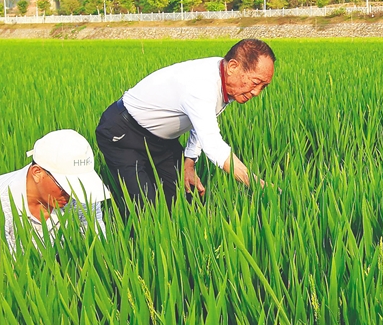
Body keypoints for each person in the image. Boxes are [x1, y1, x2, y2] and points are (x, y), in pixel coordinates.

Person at [95, 38, 275, 207]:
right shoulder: (201, 85)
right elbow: (213, 146)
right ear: (233, 66)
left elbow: (202, 122)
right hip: (123, 133)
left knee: (185, 198)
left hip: (161, 141)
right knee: (144, 208)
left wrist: (189, 163)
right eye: (255, 83)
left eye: (263, 86)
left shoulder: (226, 79)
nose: (256, 92)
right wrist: (258, 185)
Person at [0, 129, 110, 274]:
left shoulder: (82, 194)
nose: (71, 194)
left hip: (46, 266)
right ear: (37, 173)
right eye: (65, 185)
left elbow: (95, 242)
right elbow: (4, 270)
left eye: (79, 184)